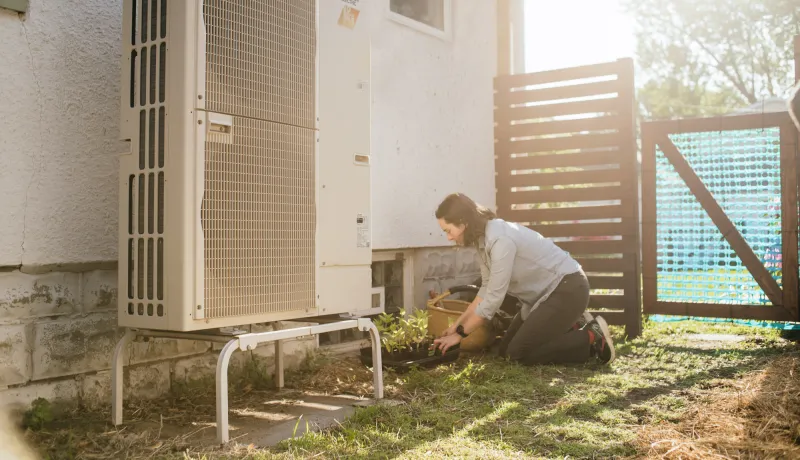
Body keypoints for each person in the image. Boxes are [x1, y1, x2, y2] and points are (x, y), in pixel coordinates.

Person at [431, 193, 616, 365]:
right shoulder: (482, 240)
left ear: (463, 223)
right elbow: (485, 290)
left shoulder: (500, 240)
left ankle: (591, 338)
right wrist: (456, 326)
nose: (448, 237)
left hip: (567, 290)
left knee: (518, 354)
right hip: (544, 297)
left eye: (448, 230)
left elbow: (494, 298)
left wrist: (460, 335)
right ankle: (571, 326)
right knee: (506, 352)